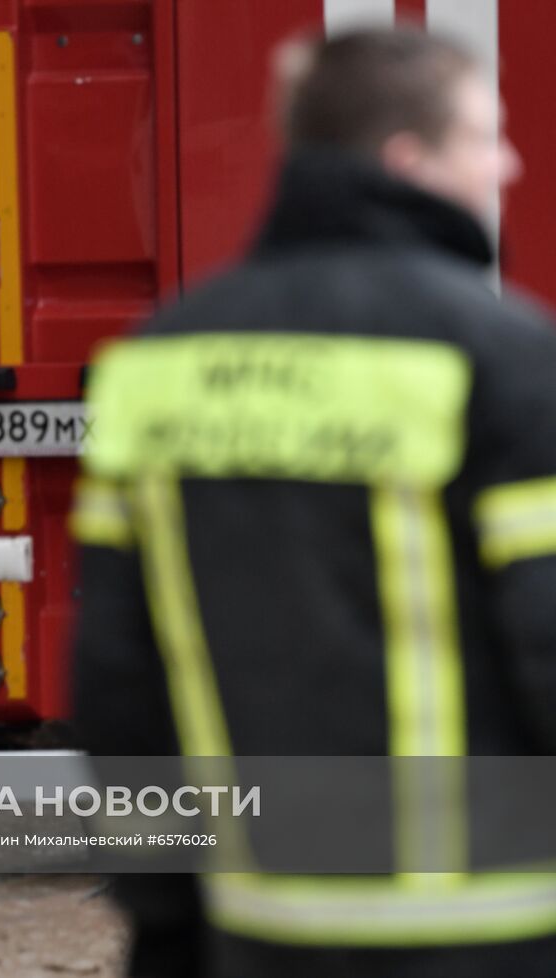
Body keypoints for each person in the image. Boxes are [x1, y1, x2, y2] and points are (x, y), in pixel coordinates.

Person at [70, 26, 556, 978]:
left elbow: (118, 687)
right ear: (408, 160)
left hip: (262, 933)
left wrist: (167, 923)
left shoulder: (157, 365)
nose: (511, 162)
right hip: (498, 932)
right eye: (483, 137)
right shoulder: (506, 357)